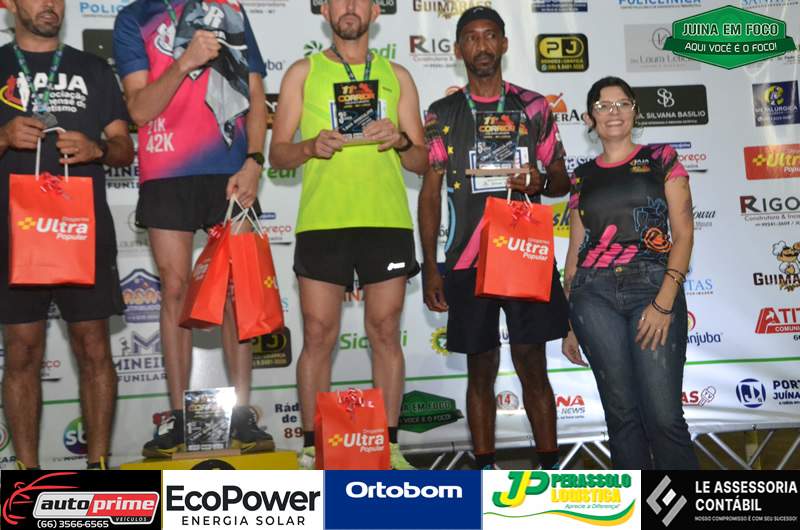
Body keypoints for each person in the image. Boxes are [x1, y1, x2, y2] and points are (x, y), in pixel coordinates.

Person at [269, 0, 428, 469]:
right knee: (318, 334)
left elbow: (422, 160)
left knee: (385, 330)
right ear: (325, 10)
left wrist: (400, 140)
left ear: (376, 11)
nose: (349, 6)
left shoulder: (397, 75)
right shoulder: (303, 72)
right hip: (324, 221)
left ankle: (390, 446)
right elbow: (278, 155)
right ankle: (312, 448)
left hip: (386, 219)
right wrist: (309, 146)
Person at [113, 0, 273, 457]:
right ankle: (180, 417)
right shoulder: (135, 17)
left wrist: (254, 161)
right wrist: (185, 61)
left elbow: (256, 95)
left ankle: (241, 413)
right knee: (176, 290)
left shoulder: (231, 10)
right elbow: (139, 109)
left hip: (231, 169)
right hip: (167, 171)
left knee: (239, 291)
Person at [419, 6, 571, 470]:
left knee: (532, 365)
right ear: (458, 49)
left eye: (490, 36)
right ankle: (485, 470)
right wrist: (431, 267)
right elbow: (430, 192)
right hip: (468, 259)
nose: (481, 45)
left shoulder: (534, 107)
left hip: (524, 253)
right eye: (471, 37)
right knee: (480, 369)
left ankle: (549, 470)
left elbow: (562, 179)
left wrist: (539, 181)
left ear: (504, 43)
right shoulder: (442, 113)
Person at [0, 0, 134, 470]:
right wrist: (3, 137)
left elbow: (124, 148)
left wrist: (99, 148)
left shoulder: (92, 69)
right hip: (15, 231)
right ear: (8, 4)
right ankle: (27, 477)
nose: (50, 5)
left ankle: (98, 467)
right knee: (22, 351)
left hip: (81, 228)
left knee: (94, 346)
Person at [561, 76, 699, 470]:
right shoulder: (581, 175)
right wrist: (570, 323)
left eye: (622, 103)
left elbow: (684, 234)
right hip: (593, 297)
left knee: (664, 417)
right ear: (590, 118)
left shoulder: (661, 158)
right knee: (621, 419)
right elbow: (575, 250)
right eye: (603, 106)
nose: (614, 112)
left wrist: (664, 302)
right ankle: (635, 505)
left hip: (652, 288)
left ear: (635, 111)